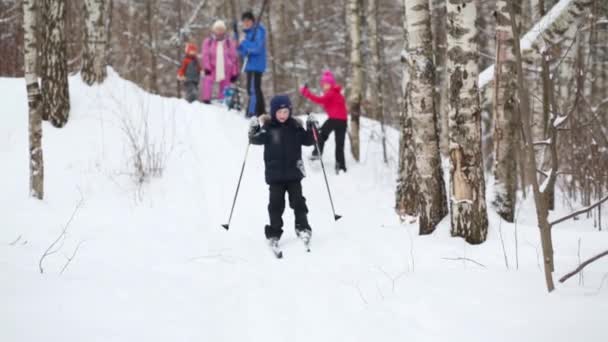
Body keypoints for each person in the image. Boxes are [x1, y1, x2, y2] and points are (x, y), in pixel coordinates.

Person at [248, 95, 317, 256]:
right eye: (279, 112)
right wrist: (253, 129)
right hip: (276, 177)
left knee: (298, 202)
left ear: (290, 112)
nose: (283, 115)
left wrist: (311, 127)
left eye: (286, 111)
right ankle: (274, 233)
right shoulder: (268, 128)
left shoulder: (295, 127)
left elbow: (309, 140)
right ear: (273, 112)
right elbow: (255, 140)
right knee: (276, 206)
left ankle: (303, 227)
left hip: (294, 174)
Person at [300, 70, 348, 173]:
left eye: (327, 84)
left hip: (335, 119)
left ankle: (317, 153)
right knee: (339, 144)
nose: (325, 86)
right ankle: (341, 166)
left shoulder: (331, 93)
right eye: (324, 84)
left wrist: (306, 93)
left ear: (331, 84)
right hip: (343, 121)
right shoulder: (337, 93)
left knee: (320, 135)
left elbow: (319, 100)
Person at [200, 20, 239, 104]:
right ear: (214, 30)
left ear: (224, 30)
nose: (219, 31)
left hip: (226, 68)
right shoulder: (208, 42)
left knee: (226, 84)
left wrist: (234, 72)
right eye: (217, 29)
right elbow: (205, 55)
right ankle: (206, 100)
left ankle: (224, 101)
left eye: (221, 29)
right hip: (212, 67)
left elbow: (233, 58)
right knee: (207, 80)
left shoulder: (229, 42)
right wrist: (207, 67)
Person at [238, 11, 267, 117]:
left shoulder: (259, 31)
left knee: (253, 89)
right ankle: (261, 111)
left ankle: (252, 112)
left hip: (256, 65)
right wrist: (240, 46)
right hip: (250, 65)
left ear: (252, 21)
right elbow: (245, 51)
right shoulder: (247, 34)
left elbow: (256, 48)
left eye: (248, 21)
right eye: (244, 21)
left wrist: (244, 43)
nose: (246, 23)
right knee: (253, 88)